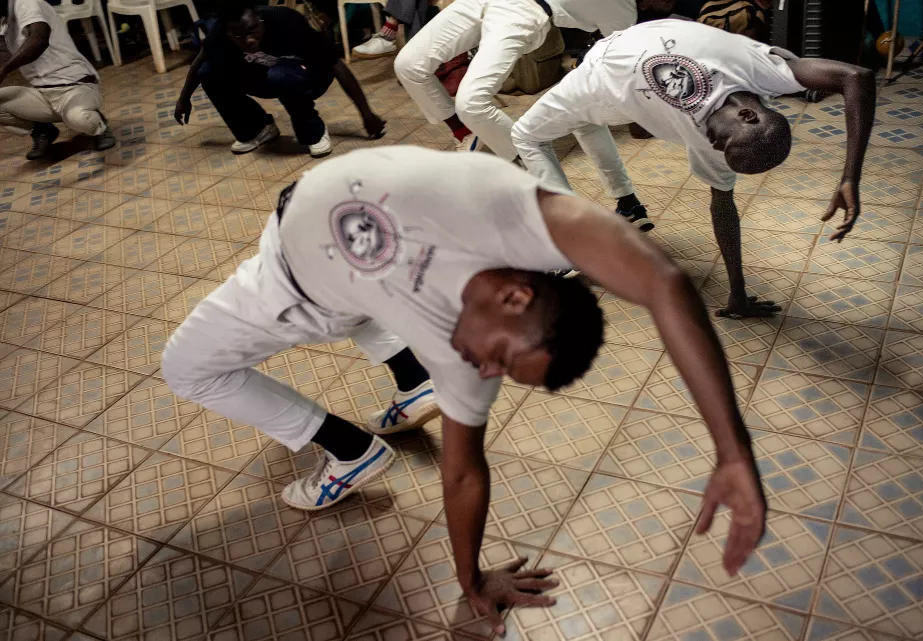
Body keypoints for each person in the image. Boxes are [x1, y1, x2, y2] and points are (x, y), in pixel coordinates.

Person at [162, 146, 767, 636]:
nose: (487, 372)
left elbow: (463, 474)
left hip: (297, 293)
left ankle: (349, 451)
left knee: (184, 367)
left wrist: (471, 579)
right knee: (386, 308)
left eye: (501, 373)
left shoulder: (466, 364)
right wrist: (734, 451)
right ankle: (406, 379)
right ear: (514, 297)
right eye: (504, 357)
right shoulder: (497, 210)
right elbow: (663, 282)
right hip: (338, 272)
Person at [512, 19, 875, 318]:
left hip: (599, 80)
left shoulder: (719, 139)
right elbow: (855, 77)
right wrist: (850, 178)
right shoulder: (760, 70)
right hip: (607, 66)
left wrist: (738, 294)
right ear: (747, 115)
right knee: (576, 124)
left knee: (527, 134)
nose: (712, 143)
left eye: (719, 148)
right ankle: (628, 206)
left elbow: (723, 207)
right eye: (722, 142)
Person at [392, 1, 636, 161]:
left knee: (471, 103)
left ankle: (532, 167)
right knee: (408, 65)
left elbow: (620, 56)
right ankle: (462, 131)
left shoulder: (622, 8)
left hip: (525, 9)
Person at [173, 1, 386, 158]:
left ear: (259, 19)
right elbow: (200, 63)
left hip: (311, 77)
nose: (248, 40)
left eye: (252, 30)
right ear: (228, 33)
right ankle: (256, 129)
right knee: (209, 71)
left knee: (281, 74)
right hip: (266, 77)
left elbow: (336, 65)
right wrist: (184, 99)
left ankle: (314, 132)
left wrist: (366, 115)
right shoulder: (221, 30)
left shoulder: (287, 21)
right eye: (238, 36)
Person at [0, 0, 115, 160]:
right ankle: (42, 130)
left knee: (78, 118)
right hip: (44, 95)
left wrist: (4, 70)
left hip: (75, 86)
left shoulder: (25, 3)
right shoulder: (5, 18)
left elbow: (39, 39)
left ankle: (99, 125)